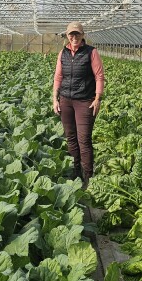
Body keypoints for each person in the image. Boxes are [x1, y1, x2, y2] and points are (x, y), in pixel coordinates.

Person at [52, 22, 105, 189]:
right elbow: (58, 77)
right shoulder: (63, 53)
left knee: (84, 139)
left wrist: (97, 99)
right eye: (71, 34)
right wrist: (55, 99)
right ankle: (76, 170)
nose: (74, 37)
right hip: (66, 100)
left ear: (83, 35)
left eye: (77, 34)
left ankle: (88, 176)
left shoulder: (91, 52)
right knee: (71, 138)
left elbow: (99, 76)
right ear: (67, 36)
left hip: (84, 101)